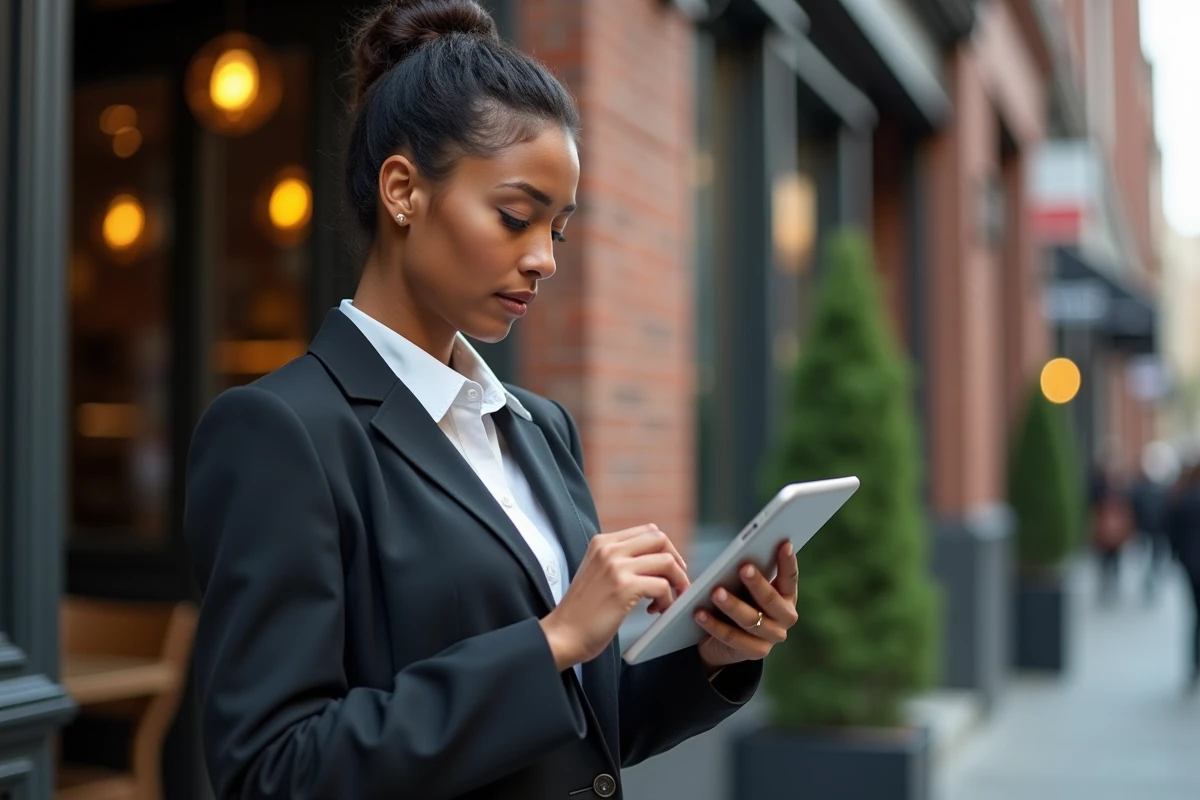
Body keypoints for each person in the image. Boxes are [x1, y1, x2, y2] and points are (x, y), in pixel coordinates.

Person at [182, 2, 798, 797]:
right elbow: (273, 770)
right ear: (403, 191)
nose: (543, 259)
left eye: (559, 231)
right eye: (514, 217)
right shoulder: (281, 432)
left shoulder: (540, 428)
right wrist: (551, 641)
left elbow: (583, 727)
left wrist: (718, 652)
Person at [1167, 462, 1200, 693]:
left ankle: (1194, 666)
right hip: (1192, 564)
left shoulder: (1183, 498)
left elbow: (1172, 533)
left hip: (1190, 565)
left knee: (1196, 616)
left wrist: (1175, 557)